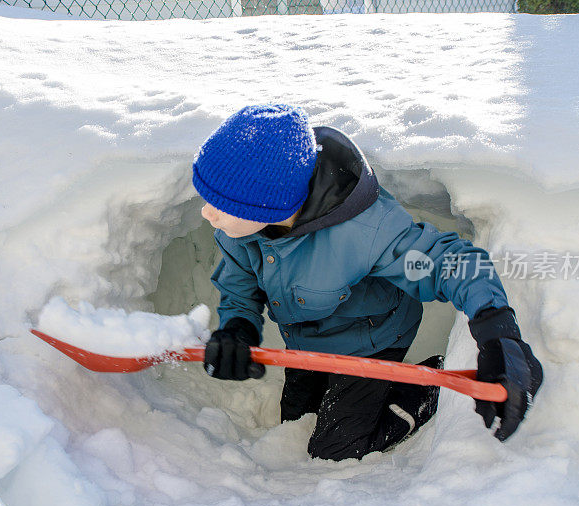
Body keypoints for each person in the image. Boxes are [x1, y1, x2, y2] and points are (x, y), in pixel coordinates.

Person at [192, 104, 543, 461]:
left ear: (270, 205)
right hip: (304, 342)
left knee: (334, 451)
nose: (207, 212)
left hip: (370, 341)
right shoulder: (238, 228)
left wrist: (498, 331)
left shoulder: (366, 230)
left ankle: (423, 385)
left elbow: (450, 263)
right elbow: (239, 287)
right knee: (295, 426)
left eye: (221, 204)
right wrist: (237, 328)